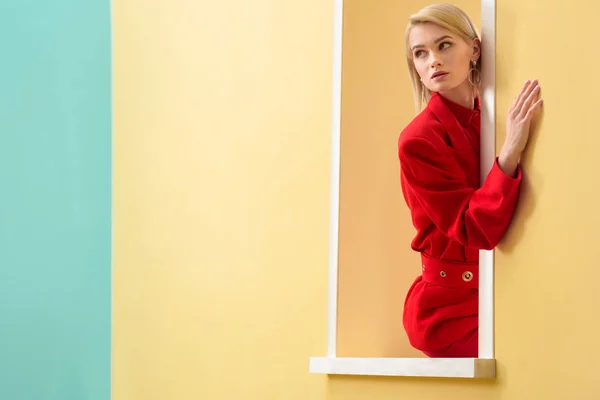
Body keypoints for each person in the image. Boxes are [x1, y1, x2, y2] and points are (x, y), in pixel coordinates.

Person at [398, 3, 543, 358]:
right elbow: (473, 227)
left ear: (474, 50)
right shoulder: (418, 140)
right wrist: (509, 154)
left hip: (498, 292)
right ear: (415, 67)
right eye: (421, 53)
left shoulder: (489, 119)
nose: (433, 60)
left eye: (444, 45)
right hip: (448, 312)